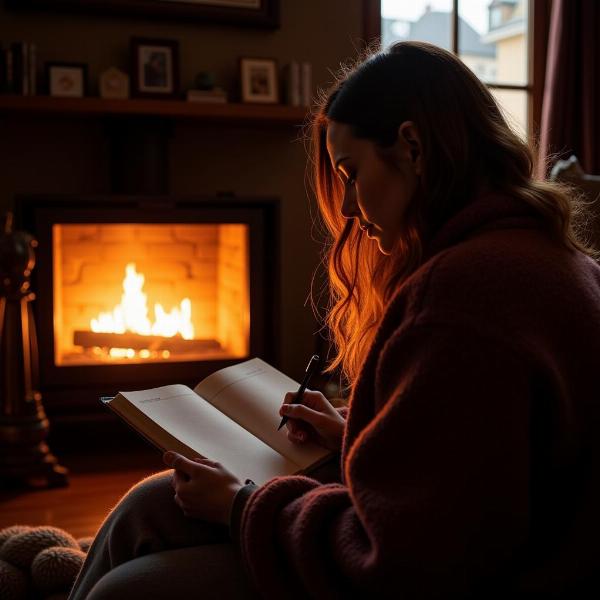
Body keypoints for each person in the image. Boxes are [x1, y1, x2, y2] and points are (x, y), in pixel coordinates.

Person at [69, 41, 600, 599]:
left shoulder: (457, 296)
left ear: (412, 148)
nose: (346, 206)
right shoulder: (557, 261)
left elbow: (401, 563)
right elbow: (471, 468)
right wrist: (359, 435)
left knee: (129, 589)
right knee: (154, 501)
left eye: (350, 172)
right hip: (499, 551)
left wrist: (242, 506)